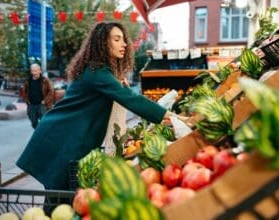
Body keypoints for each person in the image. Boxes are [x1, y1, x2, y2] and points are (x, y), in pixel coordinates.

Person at [16, 22, 181, 193]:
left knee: (60, 194)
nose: (124, 44)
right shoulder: (98, 72)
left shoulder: (100, 71)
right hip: (61, 137)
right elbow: (131, 99)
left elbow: (123, 93)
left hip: (63, 134)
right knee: (60, 193)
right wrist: (166, 115)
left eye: (123, 39)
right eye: (117, 39)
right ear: (103, 43)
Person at [22, 63, 54, 129]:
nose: (34, 73)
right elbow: (24, 91)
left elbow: (51, 91)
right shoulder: (28, 80)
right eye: (32, 71)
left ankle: (42, 134)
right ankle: (38, 132)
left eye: (36, 71)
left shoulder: (45, 80)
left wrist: (44, 101)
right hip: (31, 105)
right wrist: (27, 101)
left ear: (40, 71)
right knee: (33, 122)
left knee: (44, 122)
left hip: (41, 105)